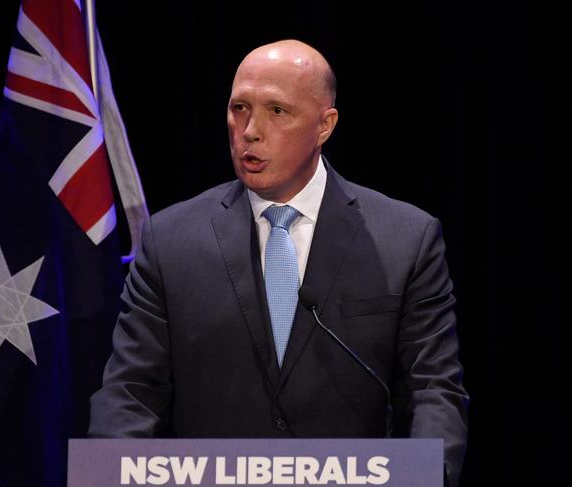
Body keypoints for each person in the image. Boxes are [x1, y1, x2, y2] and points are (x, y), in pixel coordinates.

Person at [89, 39, 468, 486]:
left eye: (277, 112)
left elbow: (432, 390)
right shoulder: (170, 242)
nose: (249, 130)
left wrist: (428, 477)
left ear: (324, 126)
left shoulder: (405, 239)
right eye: (239, 108)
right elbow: (131, 393)